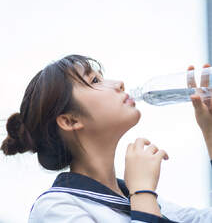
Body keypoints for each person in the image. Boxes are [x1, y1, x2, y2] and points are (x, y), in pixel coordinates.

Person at [1, 55, 212, 223]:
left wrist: (210, 133)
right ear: (70, 120)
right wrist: (143, 193)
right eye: (94, 80)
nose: (119, 84)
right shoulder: (55, 209)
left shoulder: (132, 198)